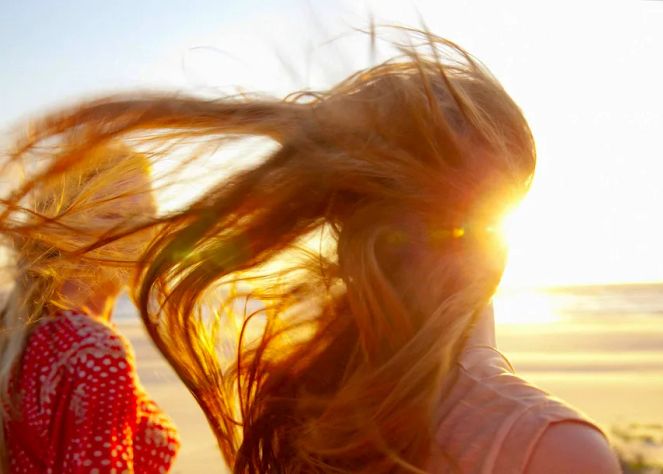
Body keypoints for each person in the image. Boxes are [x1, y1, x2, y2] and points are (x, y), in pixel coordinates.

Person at [1, 29, 619, 473]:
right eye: (123, 215)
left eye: (146, 210)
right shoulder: (553, 448)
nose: (148, 229)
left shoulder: (298, 407)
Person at [0, 145, 180, 472]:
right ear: (62, 230)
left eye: (147, 216)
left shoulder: (27, 335)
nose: (140, 235)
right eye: (113, 217)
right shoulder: (96, 351)